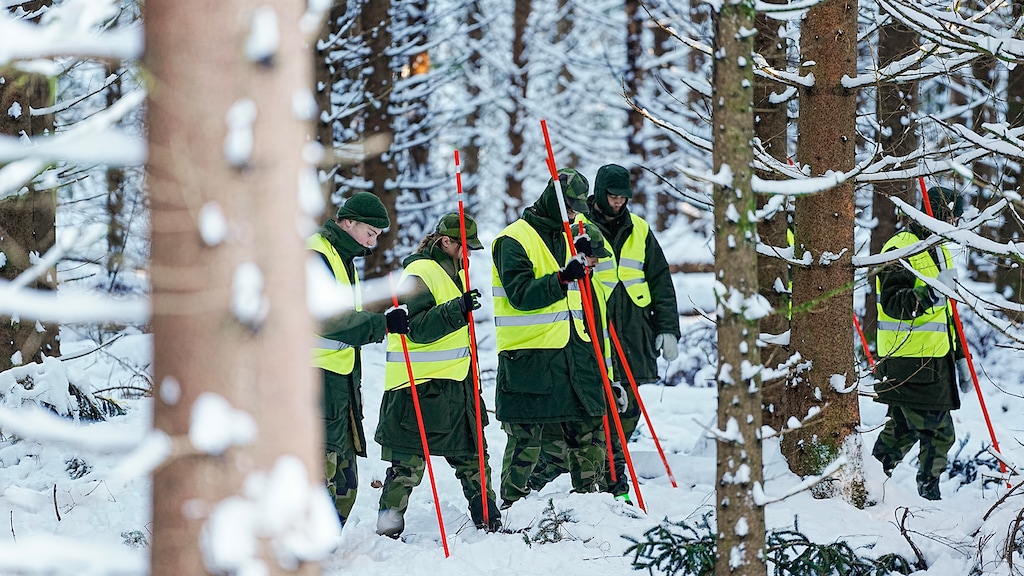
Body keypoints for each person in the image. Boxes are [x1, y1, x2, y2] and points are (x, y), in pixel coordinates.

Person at [375, 212, 502, 537]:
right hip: (417, 388)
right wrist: (456, 309)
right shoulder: (419, 273)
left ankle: (489, 522)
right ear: (446, 241)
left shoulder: (453, 272)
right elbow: (416, 328)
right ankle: (387, 534)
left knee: (473, 457)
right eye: (464, 246)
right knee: (407, 467)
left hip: (454, 386)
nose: (468, 254)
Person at [491, 168, 608, 508]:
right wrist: (562, 278)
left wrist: (587, 250)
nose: (572, 216)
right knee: (526, 438)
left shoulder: (571, 234)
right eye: (568, 208)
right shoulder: (513, 239)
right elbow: (520, 294)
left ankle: (590, 503)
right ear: (551, 200)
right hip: (530, 356)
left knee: (588, 428)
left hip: (574, 350)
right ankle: (513, 507)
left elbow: (590, 277)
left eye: (576, 210)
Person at [308, 192, 410, 528]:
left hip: (340, 384)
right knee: (319, 477)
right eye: (370, 232)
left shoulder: (343, 259)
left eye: (377, 236)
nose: (372, 242)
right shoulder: (316, 254)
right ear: (348, 222)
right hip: (313, 382)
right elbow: (328, 319)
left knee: (345, 483)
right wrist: (382, 324)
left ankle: (321, 545)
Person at [580, 163, 680, 503]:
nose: (619, 202)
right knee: (601, 408)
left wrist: (668, 329)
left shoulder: (639, 229)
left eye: (624, 197)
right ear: (600, 194)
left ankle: (610, 472)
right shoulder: (579, 228)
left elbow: (660, 281)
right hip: (596, 330)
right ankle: (611, 481)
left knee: (629, 409)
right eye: (613, 196)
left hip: (635, 332)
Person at [871, 186, 970, 501]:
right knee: (939, 434)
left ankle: (868, 483)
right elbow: (892, 303)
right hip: (910, 363)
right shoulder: (902, 247)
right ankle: (929, 497)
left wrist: (959, 357)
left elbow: (946, 314)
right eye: (953, 216)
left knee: (902, 430)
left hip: (933, 363)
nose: (956, 223)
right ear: (939, 214)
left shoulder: (939, 250)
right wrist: (930, 293)